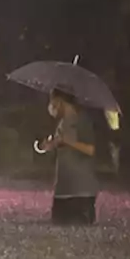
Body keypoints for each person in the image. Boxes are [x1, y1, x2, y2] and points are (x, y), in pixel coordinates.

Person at [43, 89, 100, 225]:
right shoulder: (62, 123)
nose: (51, 106)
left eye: (53, 101)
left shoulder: (82, 120)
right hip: (63, 190)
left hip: (81, 192)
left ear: (61, 101)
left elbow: (90, 149)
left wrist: (69, 142)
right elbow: (62, 145)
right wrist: (51, 145)